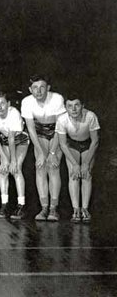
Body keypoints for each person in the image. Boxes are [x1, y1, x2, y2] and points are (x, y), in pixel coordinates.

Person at [21, 75, 66, 221]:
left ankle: (53, 208)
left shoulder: (57, 98)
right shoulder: (26, 101)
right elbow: (31, 129)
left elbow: (60, 127)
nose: (38, 91)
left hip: (56, 132)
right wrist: (40, 152)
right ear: (30, 89)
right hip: (39, 133)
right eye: (35, 87)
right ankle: (44, 207)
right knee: (40, 167)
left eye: (42, 87)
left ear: (48, 88)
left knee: (53, 166)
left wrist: (52, 152)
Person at [56, 94, 100, 223]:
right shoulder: (62, 119)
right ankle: (76, 209)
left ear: (82, 106)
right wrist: (75, 164)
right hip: (72, 144)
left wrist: (85, 163)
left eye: (77, 105)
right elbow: (63, 144)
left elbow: (95, 141)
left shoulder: (90, 116)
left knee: (86, 174)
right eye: (70, 106)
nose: (74, 109)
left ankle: (85, 209)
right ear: (66, 107)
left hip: (88, 144)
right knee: (73, 174)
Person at [0, 92, 30, 219]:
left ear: (8, 104)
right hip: (5, 141)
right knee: (3, 170)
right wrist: (4, 159)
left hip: (20, 139)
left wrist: (13, 161)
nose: (0, 107)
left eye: (3, 103)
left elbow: (12, 138)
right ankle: (4, 205)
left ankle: (21, 205)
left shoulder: (14, 113)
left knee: (16, 169)